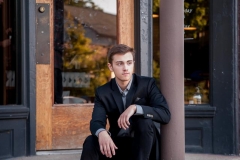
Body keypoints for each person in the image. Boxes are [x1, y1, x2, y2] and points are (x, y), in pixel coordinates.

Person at [80, 44, 171, 160]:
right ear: (111, 67)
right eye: (119, 63)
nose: (125, 68)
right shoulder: (103, 92)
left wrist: (135, 108)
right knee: (91, 141)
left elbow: (165, 114)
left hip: (143, 148)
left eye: (129, 62)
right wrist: (102, 133)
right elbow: (96, 122)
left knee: (144, 121)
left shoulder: (147, 84)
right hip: (117, 146)